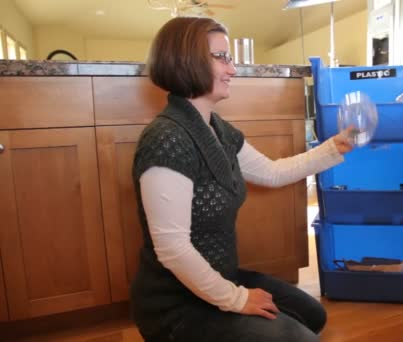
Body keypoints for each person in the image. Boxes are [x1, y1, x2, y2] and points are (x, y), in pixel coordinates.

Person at [130, 16, 353, 341]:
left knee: (312, 315)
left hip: (220, 276)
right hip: (174, 306)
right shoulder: (166, 140)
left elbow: (272, 172)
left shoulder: (217, 130)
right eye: (221, 57)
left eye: (229, 57)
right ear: (187, 61)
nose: (232, 69)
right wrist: (237, 298)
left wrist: (334, 147)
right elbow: (173, 249)